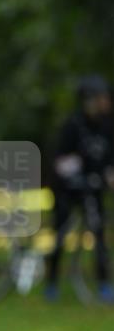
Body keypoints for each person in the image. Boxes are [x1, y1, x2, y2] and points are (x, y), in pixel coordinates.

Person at [45, 74, 114, 303]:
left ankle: (103, 284)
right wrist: (75, 177)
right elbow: (61, 160)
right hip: (68, 189)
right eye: (102, 97)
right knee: (61, 233)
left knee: (98, 234)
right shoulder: (73, 125)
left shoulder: (107, 126)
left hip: (93, 188)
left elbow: (108, 159)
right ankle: (51, 282)